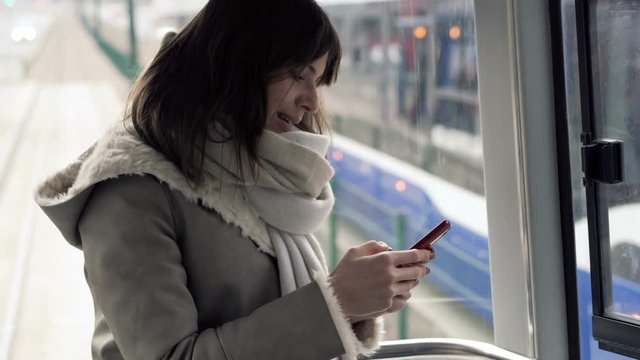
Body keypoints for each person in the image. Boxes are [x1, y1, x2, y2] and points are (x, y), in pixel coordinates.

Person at [34, 0, 434, 359]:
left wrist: (357, 300)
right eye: (299, 75)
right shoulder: (130, 189)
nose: (313, 101)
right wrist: (335, 304)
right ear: (239, 60)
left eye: (317, 82)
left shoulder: (259, 167)